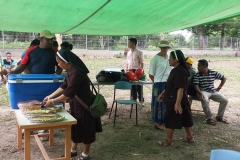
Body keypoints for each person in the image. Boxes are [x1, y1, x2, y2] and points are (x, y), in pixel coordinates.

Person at [43, 48, 102, 159]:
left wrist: (53, 101)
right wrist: (50, 96)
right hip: (76, 104)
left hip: (85, 105)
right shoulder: (71, 70)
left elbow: (67, 94)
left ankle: (85, 154)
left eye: (59, 62)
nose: (58, 64)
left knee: (85, 129)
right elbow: (64, 86)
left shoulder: (77, 73)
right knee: (76, 127)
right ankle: (73, 151)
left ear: (66, 61)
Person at [158, 50, 194, 146]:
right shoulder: (175, 70)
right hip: (177, 98)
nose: (169, 60)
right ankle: (189, 137)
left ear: (176, 60)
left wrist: (177, 103)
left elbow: (180, 88)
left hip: (175, 100)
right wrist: (162, 93)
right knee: (185, 117)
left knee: (169, 118)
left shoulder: (181, 71)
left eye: (170, 58)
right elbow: (171, 85)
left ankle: (168, 140)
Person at [193, 59, 229, 125]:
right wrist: (200, 93)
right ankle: (209, 118)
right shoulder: (197, 75)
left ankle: (219, 117)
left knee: (225, 100)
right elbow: (196, 86)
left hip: (212, 91)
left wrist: (219, 87)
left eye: (199, 66)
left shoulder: (213, 72)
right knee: (204, 99)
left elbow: (224, 78)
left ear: (204, 66)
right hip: (203, 91)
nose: (197, 67)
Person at [148, 40, 172, 130]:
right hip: (158, 83)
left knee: (167, 102)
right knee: (157, 102)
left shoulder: (170, 58)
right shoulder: (155, 59)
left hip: (168, 83)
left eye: (165, 47)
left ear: (168, 48)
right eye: (162, 47)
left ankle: (166, 120)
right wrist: (156, 83)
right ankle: (157, 121)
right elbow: (151, 74)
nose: (164, 49)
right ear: (160, 48)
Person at [125, 38, 144, 105]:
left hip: (137, 71)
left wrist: (141, 71)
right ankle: (134, 99)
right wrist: (126, 70)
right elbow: (127, 62)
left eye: (130, 42)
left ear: (134, 43)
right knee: (132, 86)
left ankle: (141, 100)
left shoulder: (139, 52)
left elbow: (142, 62)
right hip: (130, 70)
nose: (128, 44)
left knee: (139, 85)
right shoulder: (128, 53)